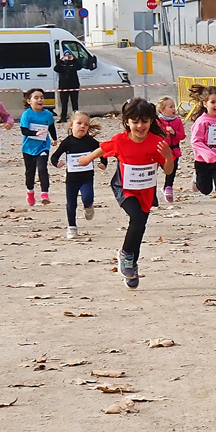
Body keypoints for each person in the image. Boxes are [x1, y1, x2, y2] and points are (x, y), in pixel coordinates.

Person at [76, 97, 172, 288]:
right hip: (124, 188)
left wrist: (168, 156)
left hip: (146, 190)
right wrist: (87, 159)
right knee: (137, 218)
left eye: (145, 121)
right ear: (127, 122)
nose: (140, 126)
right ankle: (125, 254)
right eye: (135, 122)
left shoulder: (157, 143)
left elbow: (168, 171)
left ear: (151, 121)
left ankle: (131, 265)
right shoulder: (120, 140)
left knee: (140, 226)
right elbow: (103, 148)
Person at [188, 83, 216, 232]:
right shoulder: (201, 122)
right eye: (213, 102)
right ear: (205, 104)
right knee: (206, 189)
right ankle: (197, 179)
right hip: (203, 161)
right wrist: (207, 154)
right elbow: (195, 141)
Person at [51, 111, 103, 239]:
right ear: (71, 125)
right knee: (71, 204)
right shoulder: (67, 142)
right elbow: (54, 156)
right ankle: (72, 227)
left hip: (87, 178)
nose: (82, 126)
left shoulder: (90, 142)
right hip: (71, 180)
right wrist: (57, 163)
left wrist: (103, 163)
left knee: (87, 198)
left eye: (86, 124)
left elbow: (103, 151)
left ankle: (88, 207)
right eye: (79, 123)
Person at [19, 88, 57, 206]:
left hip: (43, 146)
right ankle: (30, 192)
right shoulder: (27, 114)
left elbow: (51, 127)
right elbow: (24, 131)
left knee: (42, 168)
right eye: (36, 98)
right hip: (29, 148)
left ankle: (44, 193)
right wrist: (36, 133)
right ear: (29, 101)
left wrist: (54, 139)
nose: (40, 100)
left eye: (41, 98)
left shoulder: (47, 114)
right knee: (30, 172)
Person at [154, 96, 185, 203]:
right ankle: (151, 191)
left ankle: (168, 187)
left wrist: (174, 133)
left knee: (172, 170)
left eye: (174, 106)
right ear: (162, 110)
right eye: (170, 107)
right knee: (154, 169)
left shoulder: (178, 121)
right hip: (160, 150)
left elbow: (182, 136)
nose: (174, 109)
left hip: (174, 150)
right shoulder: (157, 122)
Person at [54, 42, 83, 122]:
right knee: (64, 102)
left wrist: (74, 59)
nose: (67, 57)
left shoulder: (73, 63)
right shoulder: (62, 64)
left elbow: (79, 67)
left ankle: (76, 117)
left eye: (68, 55)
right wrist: (60, 61)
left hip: (74, 85)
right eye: (66, 55)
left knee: (74, 102)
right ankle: (63, 117)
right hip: (64, 86)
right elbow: (56, 69)